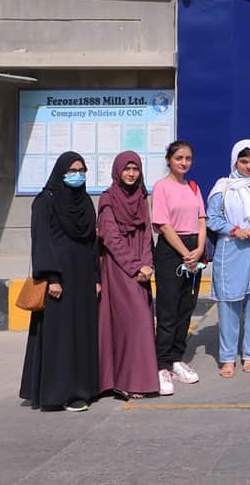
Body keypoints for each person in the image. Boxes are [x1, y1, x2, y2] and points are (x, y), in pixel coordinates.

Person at [20, 152, 100, 412]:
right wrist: (51, 278)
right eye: (72, 171)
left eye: (81, 170)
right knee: (60, 334)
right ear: (61, 172)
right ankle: (58, 393)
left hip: (83, 278)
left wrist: (96, 277)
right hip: (59, 279)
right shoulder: (45, 201)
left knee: (81, 333)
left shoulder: (85, 202)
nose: (77, 175)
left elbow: (91, 242)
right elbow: (42, 240)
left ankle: (82, 389)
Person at [207, 140, 250, 377]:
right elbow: (212, 218)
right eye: (243, 161)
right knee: (228, 306)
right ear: (235, 161)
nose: (248, 166)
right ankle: (227, 358)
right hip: (230, 250)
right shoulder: (223, 186)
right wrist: (234, 230)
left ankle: (249, 354)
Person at [97, 151, 158, 399]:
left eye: (135, 169)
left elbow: (146, 235)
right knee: (131, 321)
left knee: (139, 321)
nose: (131, 174)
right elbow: (111, 238)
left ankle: (135, 379)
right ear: (118, 171)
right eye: (127, 169)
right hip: (118, 266)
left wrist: (147, 264)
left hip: (141, 266)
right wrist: (135, 266)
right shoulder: (108, 198)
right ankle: (123, 380)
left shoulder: (141, 197)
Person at [151, 140, 207, 395]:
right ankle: (161, 364)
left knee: (187, 307)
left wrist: (199, 249)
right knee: (168, 309)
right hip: (171, 251)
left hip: (194, 251)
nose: (184, 163)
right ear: (169, 160)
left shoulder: (193, 186)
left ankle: (176, 358)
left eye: (188, 159)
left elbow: (202, 220)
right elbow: (163, 225)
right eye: (179, 158)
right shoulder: (161, 187)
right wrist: (185, 253)